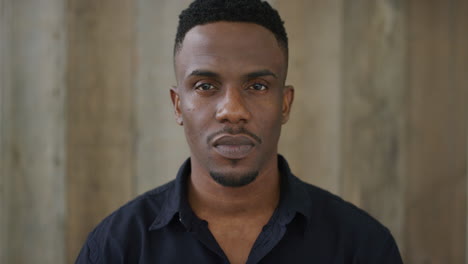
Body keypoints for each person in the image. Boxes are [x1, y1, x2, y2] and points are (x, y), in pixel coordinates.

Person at [76, 0, 403, 263]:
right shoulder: (116, 248)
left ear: (285, 104)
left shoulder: (361, 246)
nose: (232, 110)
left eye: (258, 85)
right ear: (178, 105)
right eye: (205, 86)